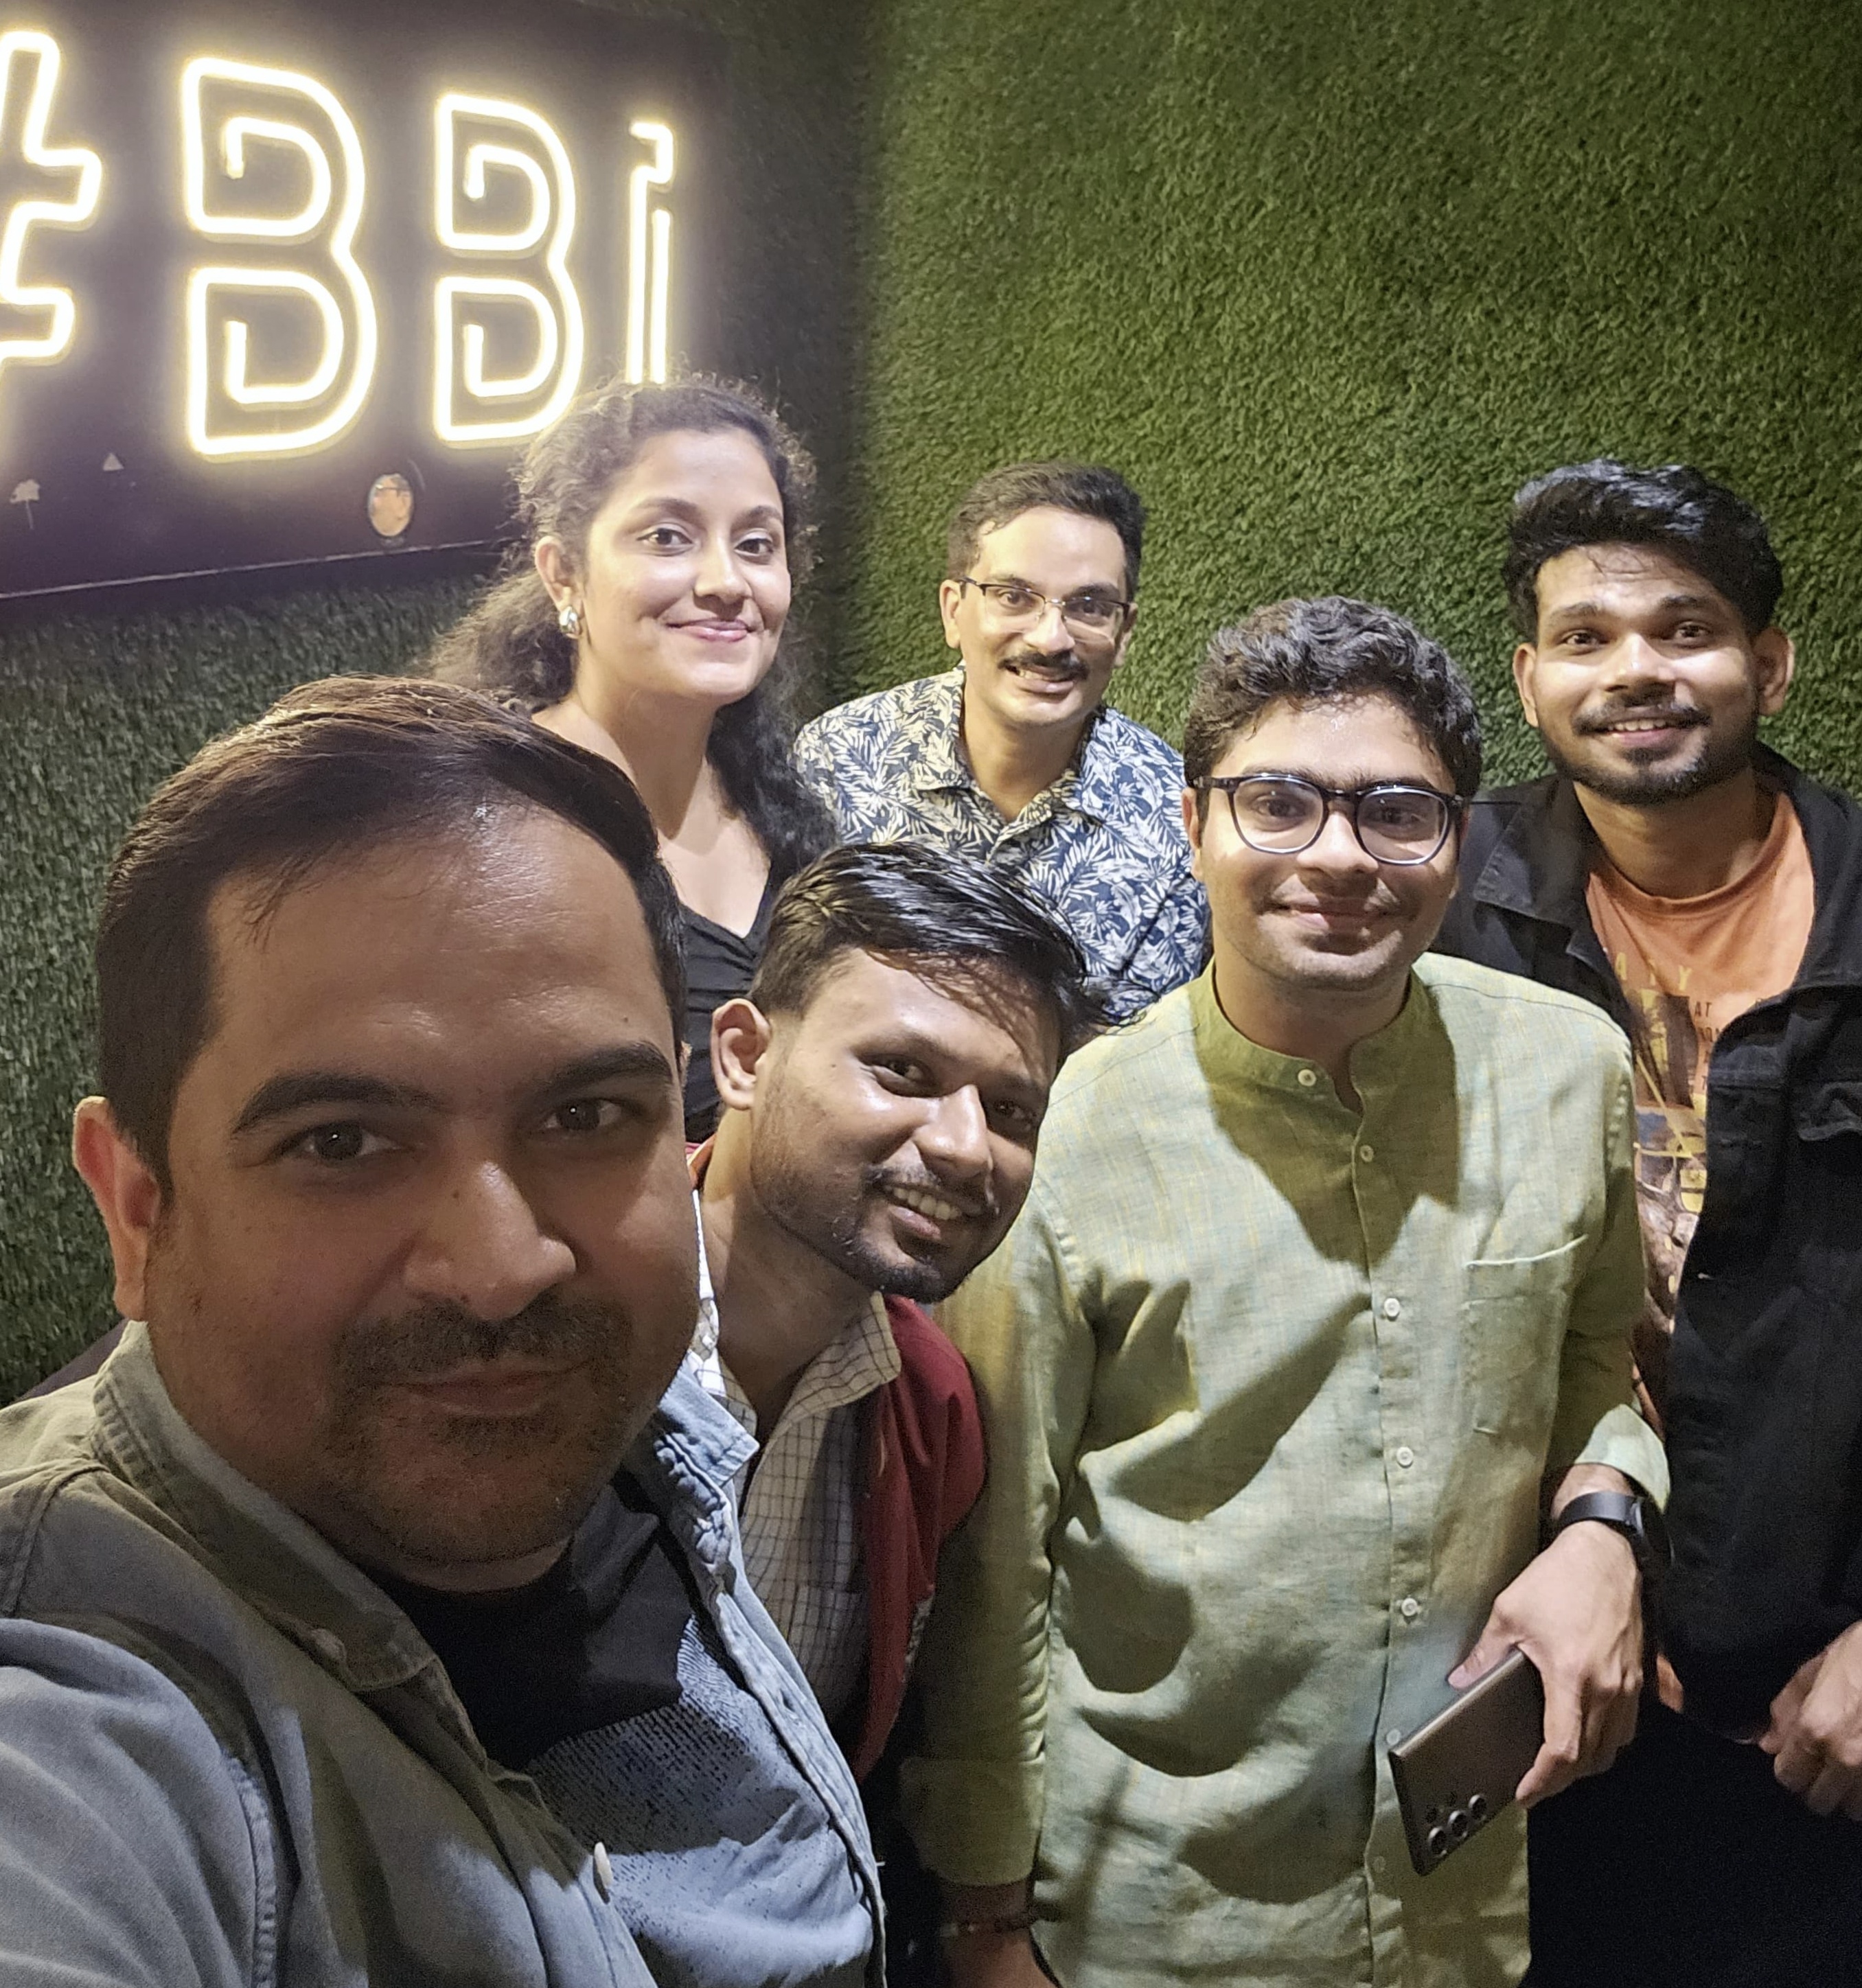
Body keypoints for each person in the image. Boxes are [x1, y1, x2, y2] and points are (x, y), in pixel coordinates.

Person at [0, 678, 880, 1987]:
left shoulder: (653, 1435)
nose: (505, 1270)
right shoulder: (72, 1708)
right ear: (137, 1210)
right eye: (340, 1143)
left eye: (585, 1117)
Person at [903, 596, 1668, 1988]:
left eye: (1396, 811)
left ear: (1455, 841)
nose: (1338, 855)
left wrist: (1606, 1526)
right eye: (1277, 803)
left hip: (1459, 1895)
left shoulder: (1569, 1070)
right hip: (1158, 1907)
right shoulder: (1068, 1128)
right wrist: (984, 1916)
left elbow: (1595, 1365)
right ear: (1192, 823)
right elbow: (998, 1557)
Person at [1432, 459, 1862, 1984]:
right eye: (1587, 636)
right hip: (1520, 1657)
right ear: (1529, 679)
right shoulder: (1439, 894)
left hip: (1815, 1682)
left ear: (1770, 664)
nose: (1635, 669)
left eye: (1684, 629)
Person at [691, 843, 1101, 1778]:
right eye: (904, 1071)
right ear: (745, 1056)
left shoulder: (930, 1409)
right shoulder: (563, 1318)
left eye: (1011, 1112)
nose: (967, 1147)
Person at [431, 373, 835, 1137]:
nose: (725, 582)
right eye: (667, 538)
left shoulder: (785, 809)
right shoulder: (480, 819)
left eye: (756, 545)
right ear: (563, 574)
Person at [794, 461, 1205, 1020]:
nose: (1050, 639)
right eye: (1014, 596)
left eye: (1089, 607)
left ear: (1124, 633)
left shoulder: (1178, 825)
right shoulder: (838, 759)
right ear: (953, 611)